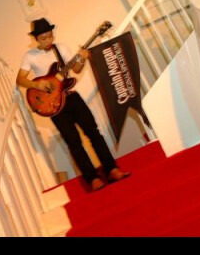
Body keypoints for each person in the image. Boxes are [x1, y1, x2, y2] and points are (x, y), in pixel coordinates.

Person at [16, 17, 131, 192]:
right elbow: (20, 79)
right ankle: (93, 179)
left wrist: (83, 59)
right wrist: (36, 85)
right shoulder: (30, 56)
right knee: (74, 142)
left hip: (72, 98)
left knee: (94, 132)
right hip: (54, 106)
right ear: (36, 39)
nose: (48, 40)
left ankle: (112, 169)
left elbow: (76, 70)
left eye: (50, 36)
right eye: (43, 38)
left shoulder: (61, 48)